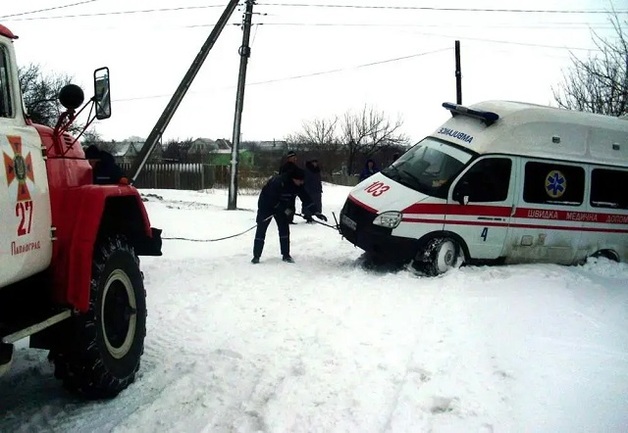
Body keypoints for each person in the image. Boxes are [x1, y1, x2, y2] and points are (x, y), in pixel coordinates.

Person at [252, 167, 327, 264]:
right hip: (266, 206)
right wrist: (282, 209)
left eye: (302, 181)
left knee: (284, 230)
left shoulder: (298, 185)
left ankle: (286, 255)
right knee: (261, 230)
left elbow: (306, 198)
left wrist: (316, 211)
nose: (301, 183)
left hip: (282, 207)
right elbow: (270, 198)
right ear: (293, 178)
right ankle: (256, 256)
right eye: (300, 180)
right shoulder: (278, 182)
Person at [278, 150, 299, 224]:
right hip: (286, 190)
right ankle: (286, 218)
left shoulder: (295, 167)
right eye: (293, 157)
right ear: (289, 158)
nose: (295, 159)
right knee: (288, 207)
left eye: (295, 157)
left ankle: (288, 218)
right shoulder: (285, 167)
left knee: (291, 206)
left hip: (292, 191)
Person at [302, 158, 323, 223]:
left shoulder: (317, 170)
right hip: (309, 189)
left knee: (317, 203)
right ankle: (308, 215)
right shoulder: (307, 170)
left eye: (316, 162)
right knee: (308, 202)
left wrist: (320, 188)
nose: (315, 164)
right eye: (314, 162)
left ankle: (315, 213)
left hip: (316, 189)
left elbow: (318, 180)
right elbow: (306, 180)